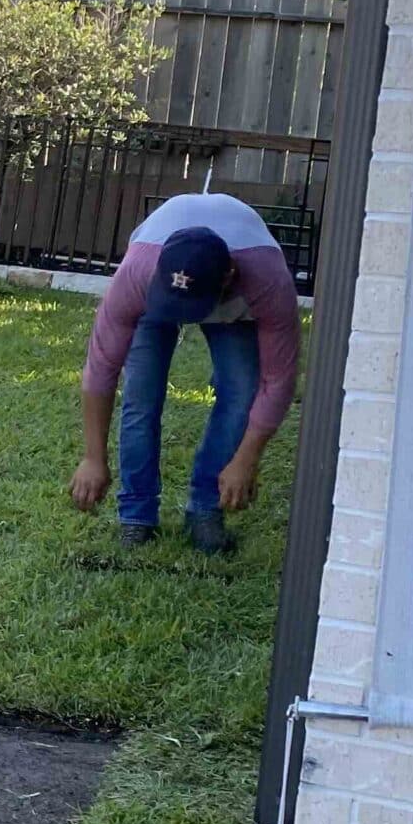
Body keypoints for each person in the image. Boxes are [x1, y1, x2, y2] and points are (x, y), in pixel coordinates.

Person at [70, 190, 302, 553]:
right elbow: (101, 369)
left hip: (234, 301)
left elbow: (277, 382)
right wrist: (93, 458)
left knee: (241, 392)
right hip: (156, 288)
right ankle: (136, 515)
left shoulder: (268, 282)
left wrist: (246, 460)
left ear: (228, 277)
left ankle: (205, 511)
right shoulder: (139, 272)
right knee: (141, 397)